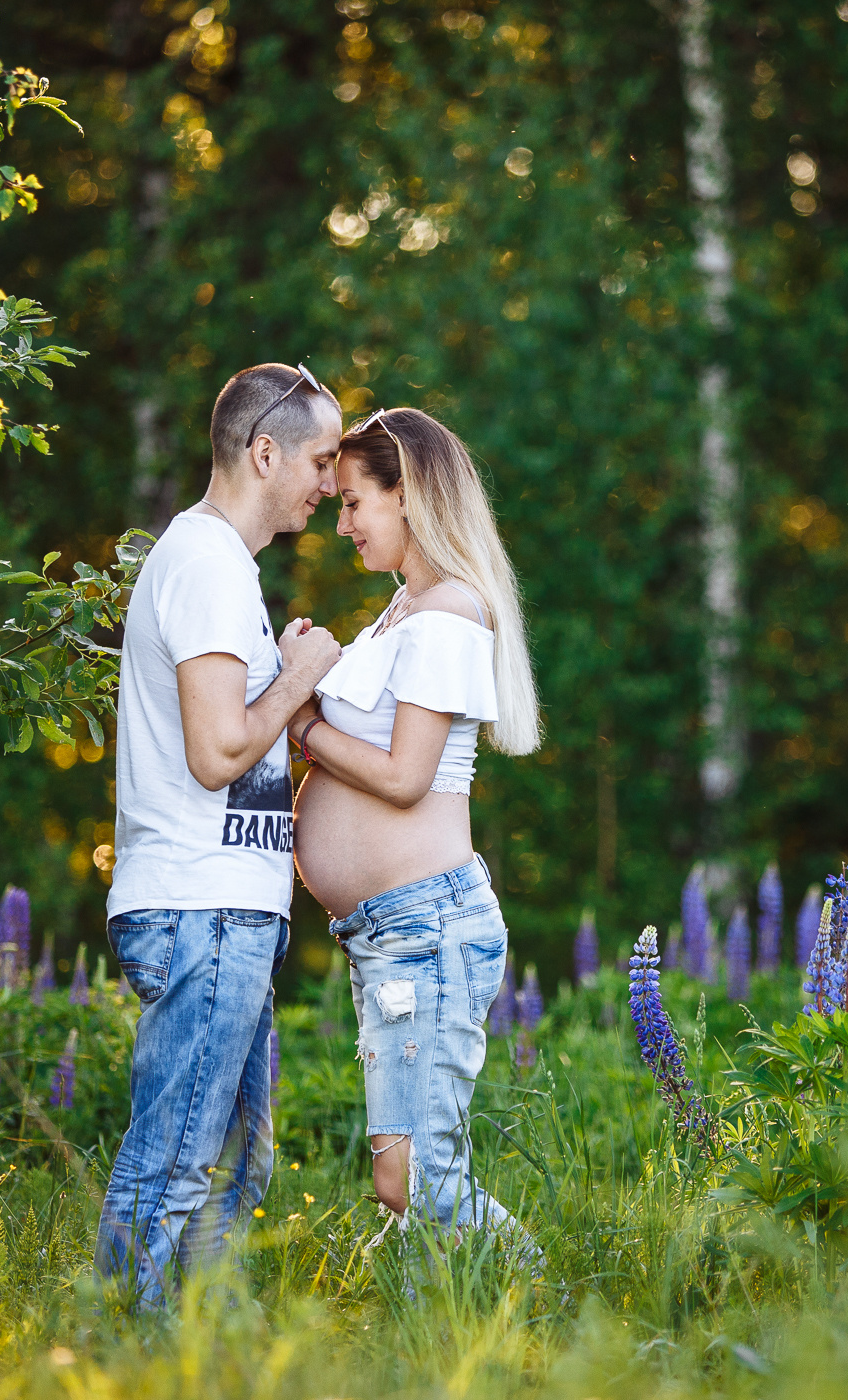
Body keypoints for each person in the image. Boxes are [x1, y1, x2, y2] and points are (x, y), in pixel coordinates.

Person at [97, 363, 343, 1308]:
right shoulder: (204, 564)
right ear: (264, 452)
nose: (330, 484)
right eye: (321, 461)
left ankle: (197, 1349)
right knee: (174, 1167)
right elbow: (216, 753)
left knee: (235, 1169)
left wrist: (277, 673)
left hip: (228, 910)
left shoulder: (222, 569)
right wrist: (299, 675)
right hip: (200, 907)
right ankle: (123, 1345)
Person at [289, 406, 540, 1243]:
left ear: (409, 495)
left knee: (414, 1177)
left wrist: (304, 725)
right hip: (392, 930)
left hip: (425, 929)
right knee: (408, 1178)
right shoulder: (405, 611)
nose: (344, 525)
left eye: (354, 502)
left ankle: (546, 1289)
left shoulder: (447, 615)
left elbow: (404, 778)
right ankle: (452, 1311)